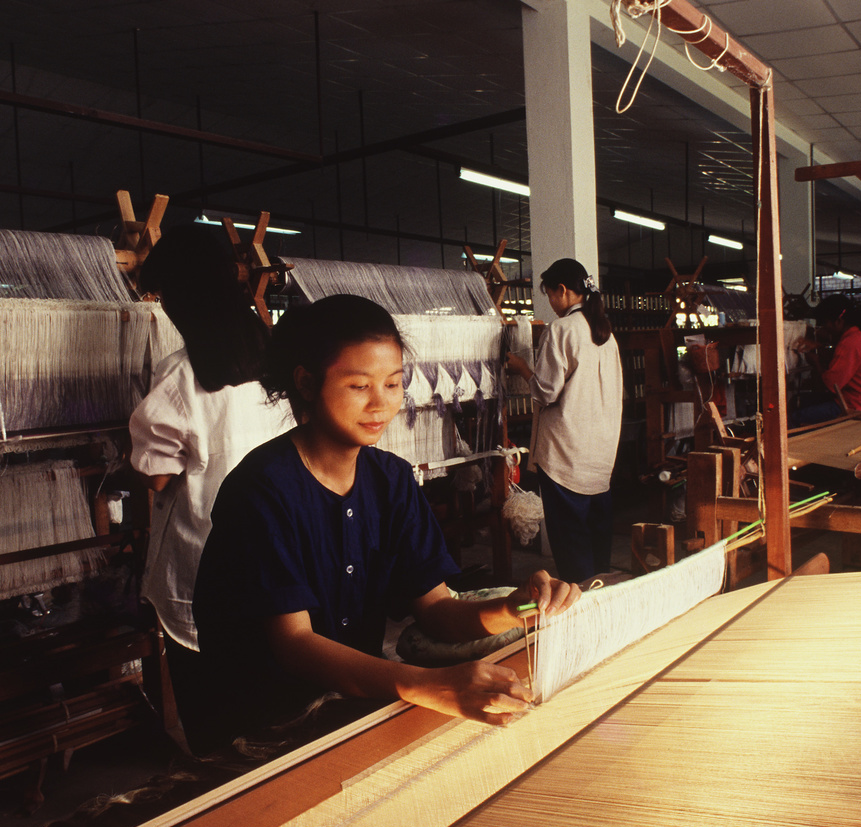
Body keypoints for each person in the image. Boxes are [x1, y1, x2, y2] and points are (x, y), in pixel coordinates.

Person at [190, 294, 580, 749]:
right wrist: (428, 684)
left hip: (352, 710)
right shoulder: (261, 490)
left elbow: (435, 612)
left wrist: (516, 609)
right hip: (260, 729)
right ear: (307, 383)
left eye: (393, 384)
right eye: (359, 386)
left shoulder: (391, 480)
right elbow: (294, 643)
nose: (381, 404)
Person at [129, 222, 295, 752]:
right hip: (273, 553)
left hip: (202, 561)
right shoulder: (274, 359)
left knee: (215, 731)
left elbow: (156, 475)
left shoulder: (180, 375)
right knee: (269, 714)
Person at [505, 258, 623, 585]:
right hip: (599, 453)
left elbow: (546, 392)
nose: (552, 304)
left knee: (570, 544)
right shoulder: (604, 333)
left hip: (566, 454)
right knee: (596, 541)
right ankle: (600, 597)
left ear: (563, 291)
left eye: (551, 296)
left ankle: (579, 603)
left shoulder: (562, 329)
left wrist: (522, 368)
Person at [791, 294, 861, 427]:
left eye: (825, 323)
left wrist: (816, 362)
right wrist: (820, 346)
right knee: (799, 401)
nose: (825, 328)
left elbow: (831, 385)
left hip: (860, 405)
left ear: (838, 321)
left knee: (794, 417)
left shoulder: (850, 343)